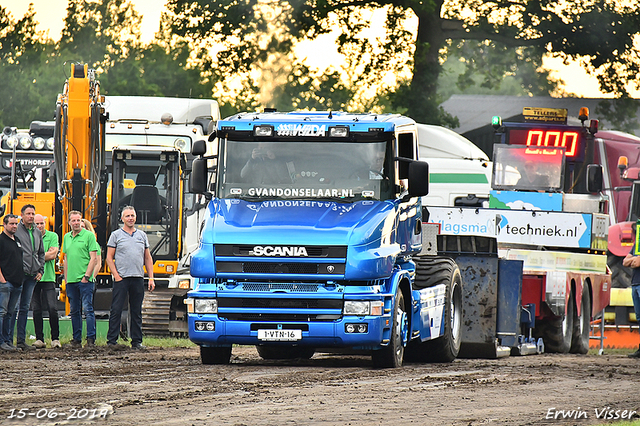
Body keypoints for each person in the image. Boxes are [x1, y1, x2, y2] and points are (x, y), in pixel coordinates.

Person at [105, 206, 155, 349]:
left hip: (138, 277)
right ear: (122, 219)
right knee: (116, 309)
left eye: (132, 215)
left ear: (136, 217)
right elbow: (109, 257)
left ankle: (137, 341)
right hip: (122, 278)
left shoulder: (142, 236)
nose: (130, 218)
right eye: (127, 216)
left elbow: (147, 257)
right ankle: (112, 341)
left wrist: (151, 278)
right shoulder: (116, 235)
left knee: (136, 310)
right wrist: (116, 275)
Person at [62, 211, 99, 348]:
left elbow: (93, 258)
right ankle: (76, 340)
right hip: (71, 281)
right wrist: (66, 278)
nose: (76, 223)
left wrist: (87, 277)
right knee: (74, 311)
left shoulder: (89, 236)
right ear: (69, 222)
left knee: (88, 309)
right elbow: (65, 259)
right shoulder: (66, 237)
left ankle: (90, 340)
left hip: (85, 280)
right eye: (73, 220)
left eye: (78, 220)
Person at [11, 204, 45, 350]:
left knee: (25, 308)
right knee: (13, 308)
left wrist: (40, 270)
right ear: (22, 215)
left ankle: (21, 341)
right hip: (19, 275)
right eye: (28, 214)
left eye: (33, 213)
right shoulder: (16, 230)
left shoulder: (37, 232)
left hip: (32, 276)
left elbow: (41, 253)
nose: (31, 216)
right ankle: (7, 341)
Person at [31, 214, 61, 349]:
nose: (39, 226)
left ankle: (55, 338)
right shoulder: (30, 236)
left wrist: (35, 256)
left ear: (45, 223)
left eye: (41, 223)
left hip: (48, 277)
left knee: (53, 308)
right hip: (33, 278)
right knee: (36, 309)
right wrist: (44, 255)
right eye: (36, 224)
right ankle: (39, 339)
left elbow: (53, 254)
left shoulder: (53, 236)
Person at [0, 214, 24, 351]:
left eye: (16, 224)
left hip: (17, 283)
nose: (14, 226)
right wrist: (2, 280)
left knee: (10, 313)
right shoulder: (1, 240)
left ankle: (7, 341)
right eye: (11, 224)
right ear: (5, 224)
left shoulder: (17, 240)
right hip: (5, 283)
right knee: (2, 312)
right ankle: (1, 341)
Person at [624, 220, 640, 358]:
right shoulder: (637, 246)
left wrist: (636, 260)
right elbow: (625, 261)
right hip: (635, 284)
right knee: (639, 317)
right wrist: (635, 259)